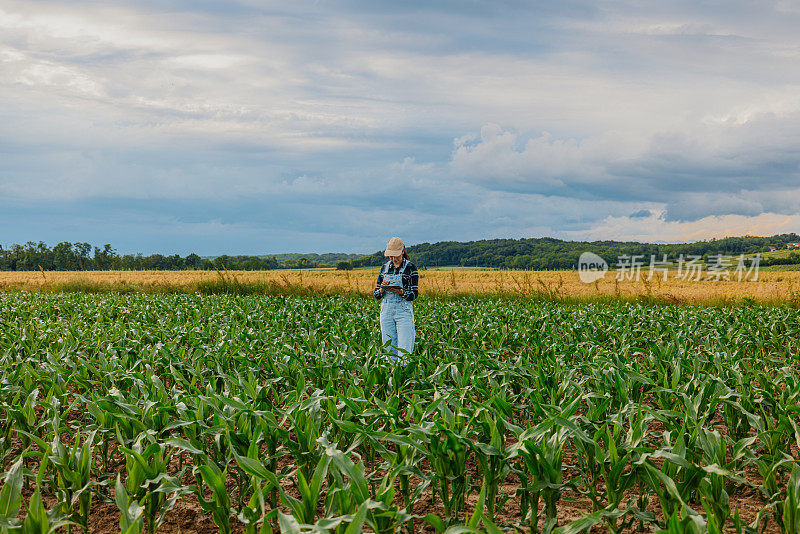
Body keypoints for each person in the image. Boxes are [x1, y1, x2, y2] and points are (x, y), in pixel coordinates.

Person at [374, 237, 418, 363]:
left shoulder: (411, 268)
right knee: (389, 348)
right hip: (386, 310)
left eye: (396, 256)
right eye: (391, 256)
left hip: (403, 310)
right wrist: (382, 289)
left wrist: (402, 292)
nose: (393, 259)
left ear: (403, 251)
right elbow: (376, 294)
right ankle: (392, 377)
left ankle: (403, 377)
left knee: (404, 349)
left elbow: (414, 294)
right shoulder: (384, 268)